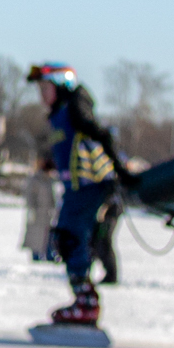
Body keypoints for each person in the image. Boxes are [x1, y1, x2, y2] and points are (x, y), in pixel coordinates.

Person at [28, 62, 132, 325]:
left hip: (90, 186)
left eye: (45, 88)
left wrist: (121, 171)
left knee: (72, 238)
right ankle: (84, 299)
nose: (41, 95)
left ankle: (86, 303)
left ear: (61, 86)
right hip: (76, 188)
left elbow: (102, 135)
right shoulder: (60, 113)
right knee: (65, 238)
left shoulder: (75, 106)